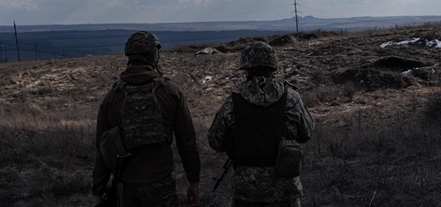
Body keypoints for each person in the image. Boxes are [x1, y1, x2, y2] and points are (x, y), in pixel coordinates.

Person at [93, 31, 201, 207]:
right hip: (161, 186)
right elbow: (187, 142)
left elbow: (102, 149)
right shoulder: (171, 92)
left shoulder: (112, 98)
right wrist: (193, 181)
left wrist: (98, 189)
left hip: (125, 188)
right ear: (154, 55)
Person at [208, 41, 314, 207]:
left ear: (246, 69)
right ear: (273, 67)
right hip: (285, 191)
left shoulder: (232, 103)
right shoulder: (292, 99)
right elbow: (306, 134)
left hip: (246, 192)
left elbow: (215, 141)